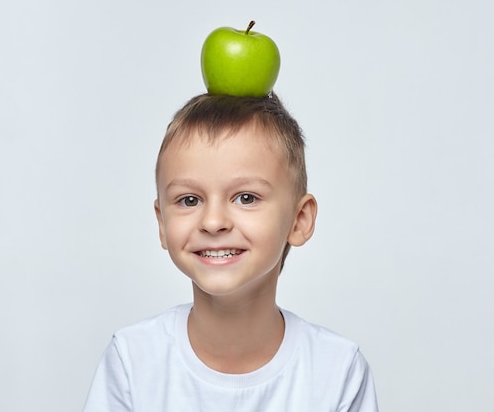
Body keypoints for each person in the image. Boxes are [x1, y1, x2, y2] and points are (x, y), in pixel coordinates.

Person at [82, 92, 379, 412]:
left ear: (299, 220)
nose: (213, 222)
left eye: (246, 197)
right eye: (189, 200)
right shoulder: (132, 361)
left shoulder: (337, 372)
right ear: (162, 223)